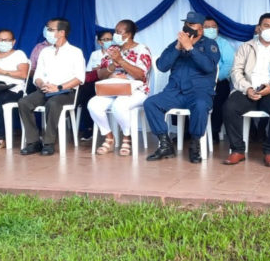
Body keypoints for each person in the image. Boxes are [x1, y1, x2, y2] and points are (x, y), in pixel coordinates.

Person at [143, 11, 220, 164]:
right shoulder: (176, 44)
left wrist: (191, 48)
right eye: (186, 24)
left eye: (192, 25)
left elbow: (208, 67)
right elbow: (162, 66)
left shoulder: (210, 44)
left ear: (201, 29)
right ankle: (165, 145)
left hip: (199, 92)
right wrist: (178, 47)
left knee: (200, 105)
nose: (188, 27)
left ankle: (194, 145)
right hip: (175, 92)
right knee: (151, 103)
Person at [223, 13, 270, 167]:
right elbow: (235, 72)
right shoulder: (246, 47)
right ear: (258, 28)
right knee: (230, 107)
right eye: (266, 26)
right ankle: (237, 150)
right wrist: (247, 88)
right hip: (248, 89)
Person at [18, 18, 86, 156]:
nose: (47, 32)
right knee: (24, 102)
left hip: (66, 91)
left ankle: (48, 143)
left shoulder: (75, 52)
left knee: (53, 103)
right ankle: (33, 142)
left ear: (61, 32)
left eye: (50, 29)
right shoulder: (45, 51)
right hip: (45, 90)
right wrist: (42, 84)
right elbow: (37, 76)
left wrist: (59, 87)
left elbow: (79, 78)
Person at [88, 20, 152, 156]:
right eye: (115, 31)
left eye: (118, 32)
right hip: (113, 89)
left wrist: (121, 61)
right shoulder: (112, 50)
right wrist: (111, 69)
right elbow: (100, 74)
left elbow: (141, 75)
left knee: (119, 105)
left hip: (136, 91)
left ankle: (127, 137)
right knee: (93, 104)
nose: (115, 35)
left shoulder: (142, 49)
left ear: (129, 34)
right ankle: (109, 137)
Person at [76, 30, 114, 140]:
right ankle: (89, 128)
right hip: (94, 82)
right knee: (85, 92)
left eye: (110, 39)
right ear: (99, 42)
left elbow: (112, 70)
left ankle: (89, 128)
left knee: (86, 93)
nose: (108, 42)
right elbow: (88, 71)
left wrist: (101, 70)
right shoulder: (94, 54)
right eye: (105, 39)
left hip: (108, 82)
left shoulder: (115, 53)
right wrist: (99, 70)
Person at [203, 16, 236, 141]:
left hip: (218, 80)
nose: (210, 29)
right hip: (199, 81)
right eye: (207, 27)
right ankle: (185, 131)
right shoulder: (195, 43)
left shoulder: (223, 43)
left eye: (213, 27)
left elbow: (228, 64)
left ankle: (214, 130)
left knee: (220, 94)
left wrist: (215, 79)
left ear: (218, 29)